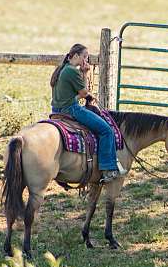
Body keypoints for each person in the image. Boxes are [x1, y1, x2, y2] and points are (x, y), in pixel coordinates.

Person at [50, 44, 126, 183]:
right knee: (106, 130)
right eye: (85, 56)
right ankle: (108, 169)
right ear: (76, 56)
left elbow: (74, 94)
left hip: (56, 110)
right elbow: (84, 92)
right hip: (71, 109)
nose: (86, 59)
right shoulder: (72, 71)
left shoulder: (62, 69)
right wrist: (85, 74)